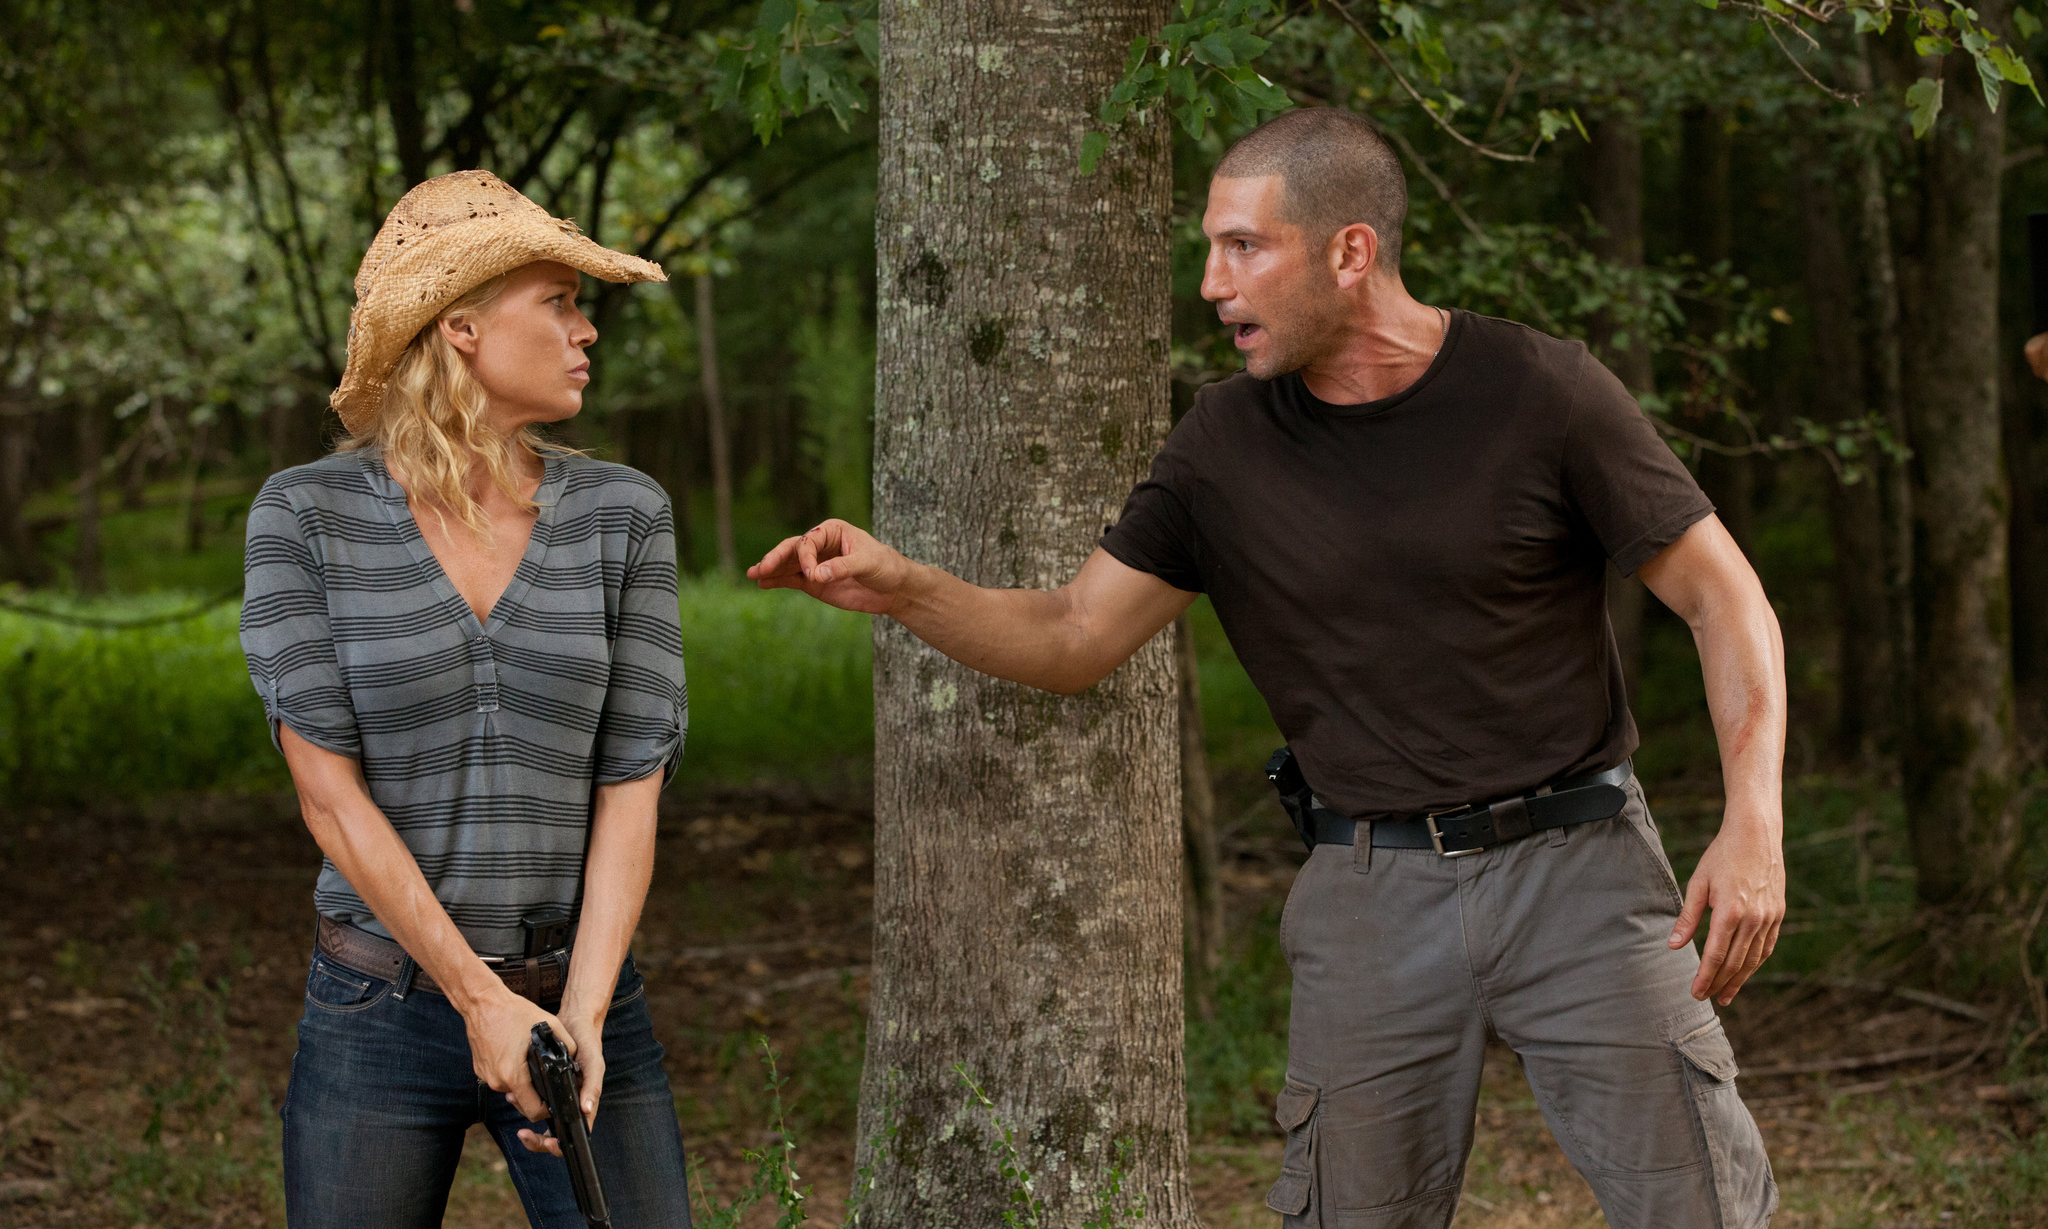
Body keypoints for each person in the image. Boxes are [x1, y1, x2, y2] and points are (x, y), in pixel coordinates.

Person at [750, 109, 1782, 1228]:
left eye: (1243, 246)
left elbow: (1722, 598)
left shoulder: (1542, 390)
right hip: (1369, 893)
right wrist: (903, 586)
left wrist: (1753, 822)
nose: (1211, 282)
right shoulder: (1222, 447)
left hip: (1580, 874)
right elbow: (1072, 635)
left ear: (1349, 251)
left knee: (1701, 1208)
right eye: (1210, 247)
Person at [240, 170, 693, 1228]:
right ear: (461, 326)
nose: (586, 330)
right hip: (379, 1007)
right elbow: (329, 796)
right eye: (560, 302)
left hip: (581, 991)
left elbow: (632, 784)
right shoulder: (304, 516)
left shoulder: (624, 515)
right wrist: (481, 999)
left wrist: (580, 1013)